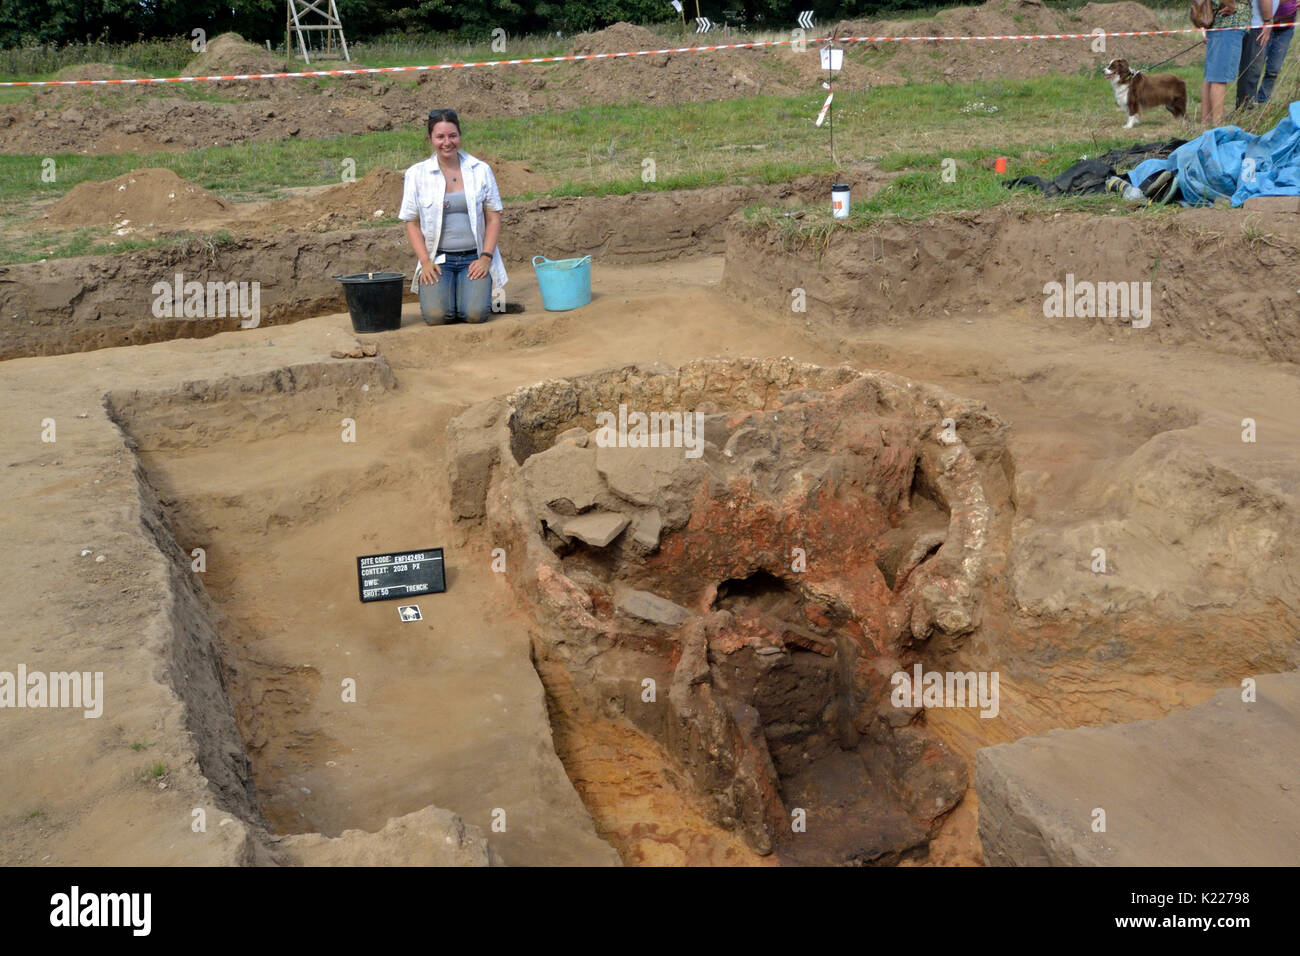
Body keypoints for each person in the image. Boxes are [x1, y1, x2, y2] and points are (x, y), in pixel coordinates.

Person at [398, 108, 507, 325]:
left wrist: (486, 258)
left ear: (459, 136)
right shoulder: (416, 174)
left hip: (474, 258)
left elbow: (493, 218)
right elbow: (411, 222)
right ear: (430, 138)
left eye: (452, 136)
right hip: (438, 260)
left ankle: (468, 296)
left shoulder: (480, 170)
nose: (447, 142)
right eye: (440, 137)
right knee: (436, 317)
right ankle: (455, 295)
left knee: (475, 315)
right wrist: (425, 261)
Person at [1203, 0, 1252, 126]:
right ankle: (1217, 122)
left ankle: (1207, 121)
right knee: (1219, 76)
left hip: (1220, 25)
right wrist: (1231, 5)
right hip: (1229, 24)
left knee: (1212, 76)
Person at [1235, 0, 1277, 110]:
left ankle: (1243, 108)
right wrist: (1268, 21)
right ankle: (1244, 110)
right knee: (1252, 70)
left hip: (1256, 24)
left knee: (1250, 69)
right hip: (1257, 25)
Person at [1252, 0, 1296, 102]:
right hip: (1263, 24)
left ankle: (1262, 102)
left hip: (1286, 26)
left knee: (1274, 70)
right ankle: (1247, 103)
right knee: (1254, 68)